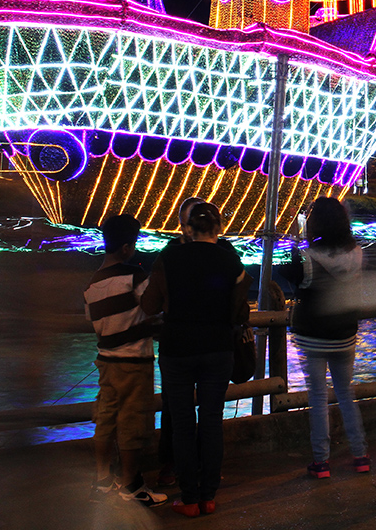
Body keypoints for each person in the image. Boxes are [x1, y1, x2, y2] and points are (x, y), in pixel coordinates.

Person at [141, 202, 249, 517]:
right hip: (218, 348)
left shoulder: (169, 257)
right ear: (219, 228)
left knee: (184, 422)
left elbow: (149, 305)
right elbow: (240, 309)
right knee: (212, 420)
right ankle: (208, 496)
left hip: (177, 350)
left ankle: (188, 499)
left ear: (188, 228)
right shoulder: (231, 260)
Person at [278, 197, 371, 483]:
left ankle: (322, 461)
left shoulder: (306, 257)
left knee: (318, 398)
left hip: (313, 336)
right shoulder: (357, 253)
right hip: (345, 334)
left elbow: (286, 274)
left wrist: (293, 244)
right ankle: (360, 455)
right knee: (346, 392)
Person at [83, 214, 168, 507]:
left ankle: (103, 479)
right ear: (126, 248)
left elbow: (96, 323)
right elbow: (153, 306)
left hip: (105, 363)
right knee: (133, 423)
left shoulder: (92, 285)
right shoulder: (135, 277)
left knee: (105, 420)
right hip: (134, 363)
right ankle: (132, 484)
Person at [155, 195, 205, 488]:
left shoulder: (220, 252)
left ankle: (201, 467)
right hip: (181, 344)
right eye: (190, 222)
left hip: (203, 344)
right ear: (181, 224)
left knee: (206, 410)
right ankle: (173, 464)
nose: (193, 228)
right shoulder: (169, 253)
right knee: (174, 408)